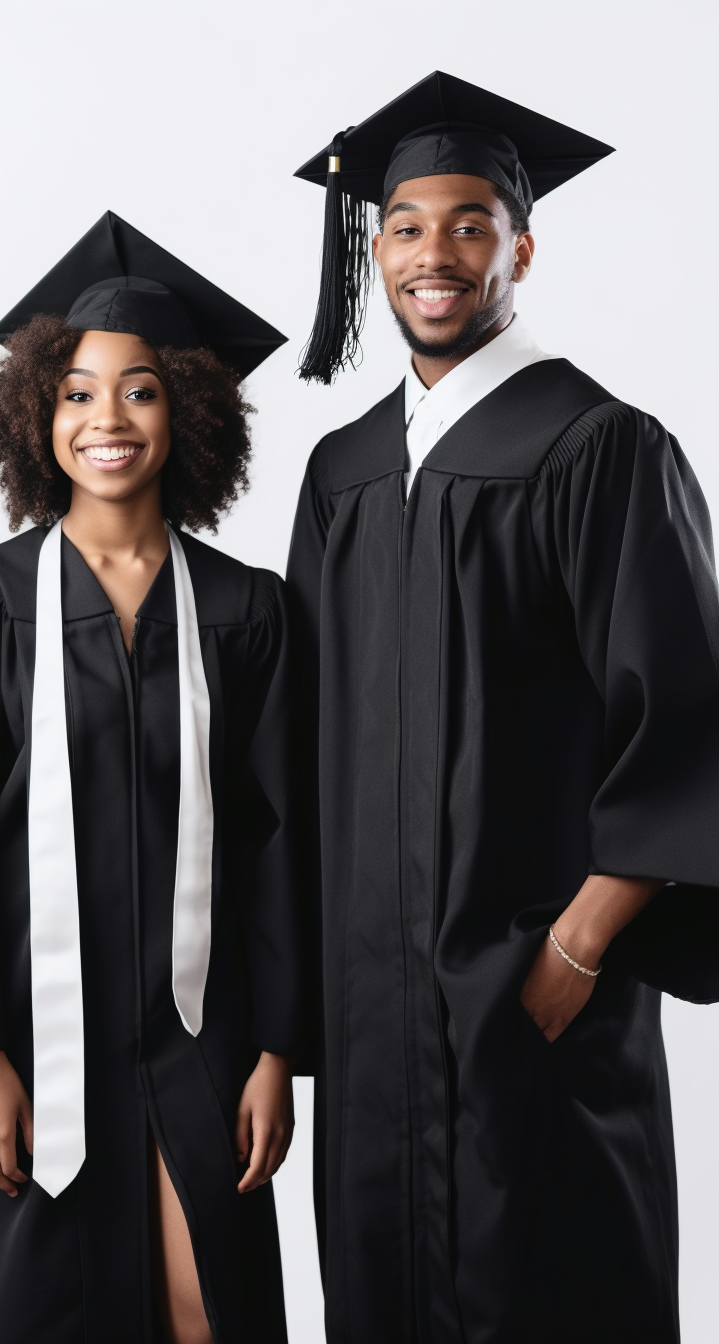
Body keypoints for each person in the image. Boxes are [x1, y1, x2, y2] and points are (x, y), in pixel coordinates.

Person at [287, 71, 719, 1344]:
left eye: (469, 223)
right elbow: (295, 736)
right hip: (371, 1028)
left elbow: (689, 725)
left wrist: (575, 952)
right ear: (372, 248)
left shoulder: (598, 448)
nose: (436, 254)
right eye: (407, 225)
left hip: (529, 997)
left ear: (518, 245)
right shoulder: (343, 472)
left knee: (550, 1285)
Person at [0, 210, 301, 1344]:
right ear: (36, 415)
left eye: (140, 390)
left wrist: (277, 1051)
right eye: (77, 393)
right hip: (39, 1038)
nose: (107, 419)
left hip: (202, 1037)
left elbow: (278, 839)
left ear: (186, 410)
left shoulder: (246, 612)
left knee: (212, 1306)